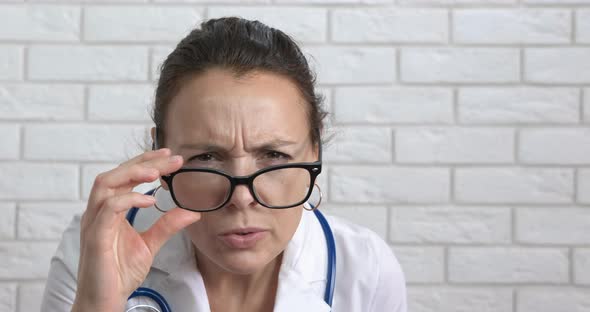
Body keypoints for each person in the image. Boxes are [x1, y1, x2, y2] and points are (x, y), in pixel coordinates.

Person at [41, 17, 407, 312]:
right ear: (160, 155)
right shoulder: (93, 248)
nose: (243, 197)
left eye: (275, 155)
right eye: (206, 157)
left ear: (314, 151)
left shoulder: (364, 269)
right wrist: (96, 305)